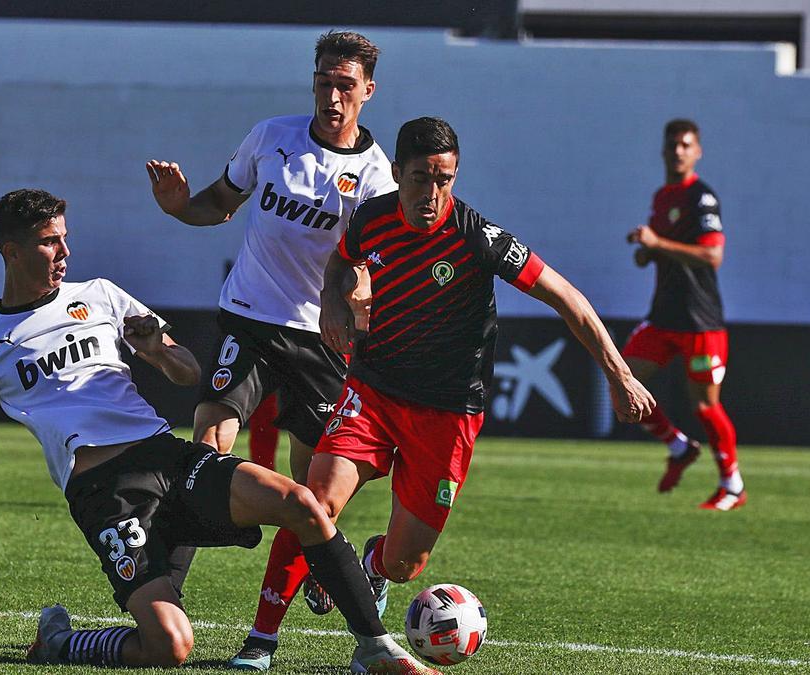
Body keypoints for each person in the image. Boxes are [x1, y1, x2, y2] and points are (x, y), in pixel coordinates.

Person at [0, 189, 439, 673]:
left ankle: (375, 648)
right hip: (105, 494)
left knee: (304, 504)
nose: (63, 251)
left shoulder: (100, 296)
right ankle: (62, 643)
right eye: (48, 241)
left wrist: (156, 349)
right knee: (170, 649)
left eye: (64, 237)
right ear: (9, 251)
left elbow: (189, 372)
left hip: (168, 458)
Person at [229, 117, 656, 670]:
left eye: (444, 179)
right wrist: (334, 298)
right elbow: (342, 258)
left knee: (408, 564)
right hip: (373, 392)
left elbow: (566, 297)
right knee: (313, 502)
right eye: (420, 178)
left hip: (448, 414)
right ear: (396, 174)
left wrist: (619, 375)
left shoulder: (476, 236)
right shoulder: (372, 218)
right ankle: (261, 642)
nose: (432, 194)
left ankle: (372, 567)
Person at [145, 30, 395, 653]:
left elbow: (371, 263)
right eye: (322, 82)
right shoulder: (270, 137)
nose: (332, 96)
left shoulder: (374, 176)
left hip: (319, 341)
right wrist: (179, 207)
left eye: (345, 85)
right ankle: (163, 596)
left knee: (311, 495)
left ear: (367, 90)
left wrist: (360, 290)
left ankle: (329, 569)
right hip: (247, 319)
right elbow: (218, 203)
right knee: (205, 448)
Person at [624, 119, 744, 511]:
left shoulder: (702, 198)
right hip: (663, 316)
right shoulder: (663, 197)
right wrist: (647, 250)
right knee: (622, 381)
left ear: (697, 152)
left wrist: (658, 242)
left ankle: (732, 485)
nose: (678, 150)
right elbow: (661, 248)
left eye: (686, 144)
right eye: (673, 144)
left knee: (706, 406)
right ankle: (678, 446)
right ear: (663, 150)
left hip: (699, 320)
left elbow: (713, 255)